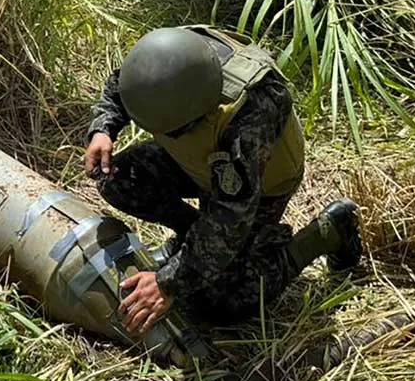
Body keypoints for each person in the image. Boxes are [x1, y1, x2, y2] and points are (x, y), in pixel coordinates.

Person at [83, 26, 361, 336]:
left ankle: (326, 234)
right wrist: (103, 130)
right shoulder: (170, 59)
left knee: (218, 301)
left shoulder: (251, 111)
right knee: (117, 178)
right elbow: (123, 88)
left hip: (261, 186)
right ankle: (194, 241)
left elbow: (230, 215)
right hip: (201, 163)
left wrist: (168, 282)